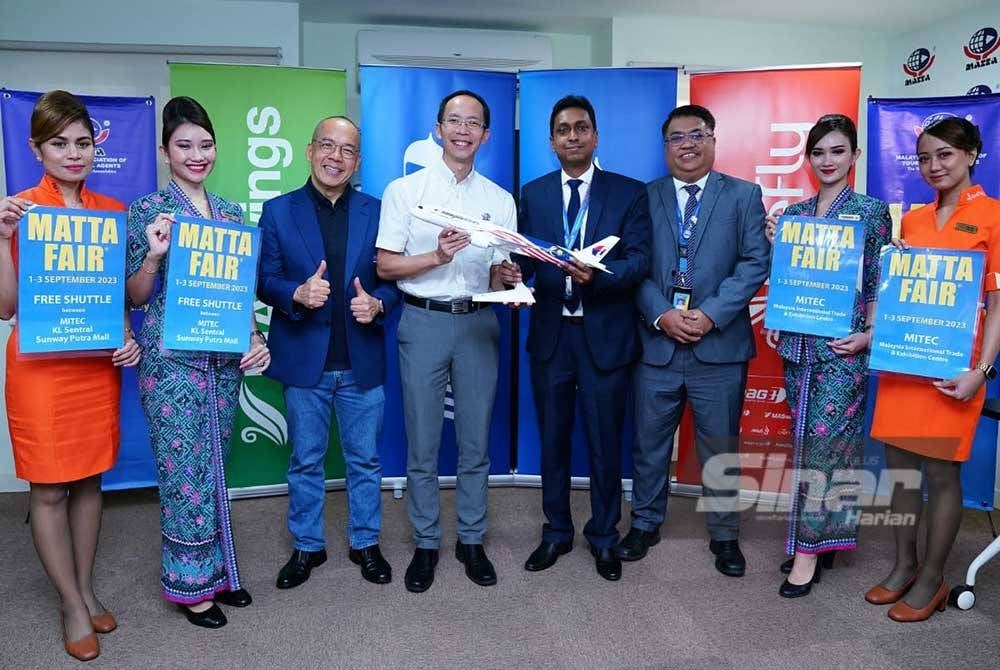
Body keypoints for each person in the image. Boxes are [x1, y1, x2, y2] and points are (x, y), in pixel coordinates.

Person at [0, 90, 140, 662]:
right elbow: (6, 306)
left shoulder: (111, 211)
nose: (73, 154)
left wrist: (128, 335)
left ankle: (82, 587)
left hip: (94, 367)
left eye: (82, 143)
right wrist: (1, 236)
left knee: (88, 481)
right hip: (39, 371)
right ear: (38, 149)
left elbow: (116, 301)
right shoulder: (20, 210)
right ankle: (71, 603)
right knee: (50, 487)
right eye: (59, 144)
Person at [126, 96, 269, 629]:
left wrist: (255, 337)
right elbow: (137, 297)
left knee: (212, 471)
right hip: (171, 366)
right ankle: (190, 589)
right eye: (183, 145)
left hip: (222, 364)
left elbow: (239, 294)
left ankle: (218, 573)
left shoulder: (231, 212)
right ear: (165, 152)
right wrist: (155, 255)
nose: (196, 154)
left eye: (204, 144)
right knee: (183, 476)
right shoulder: (148, 211)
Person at [376, 89, 515, 593]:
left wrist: (508, 275)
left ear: (486, 134)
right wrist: (435, 257)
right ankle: (427, 542)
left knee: (476, 440)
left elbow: (499, 275)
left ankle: (471, 540)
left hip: (479, 322)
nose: (462, 130)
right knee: (424, 441)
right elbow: (386, 265)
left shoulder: (499, 201)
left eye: (473, 123)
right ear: (438, 129)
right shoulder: (404, 191)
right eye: (453, 121)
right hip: (423, 322)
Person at [624, 104, 770, 577]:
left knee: (719, 445)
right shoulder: (645, 197)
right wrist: (662, 314)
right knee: (649, 443)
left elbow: (754, 263)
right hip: (658, 344)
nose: (687, 144)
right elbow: (634, 266)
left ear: (712, 139)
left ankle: (725, 535)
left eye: (696, 135)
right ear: (665, 147)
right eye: (676, 137)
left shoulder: (744, 195)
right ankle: (645, 524)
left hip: (719, 346)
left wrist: (708, 315)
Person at [510, 95, 650, 582]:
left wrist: (600, 275)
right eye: (563, 130)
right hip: (551, 338)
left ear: (595, 136)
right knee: (553, 442)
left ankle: (605, 537)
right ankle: (556, 532)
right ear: (551, 142)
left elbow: (638, 260)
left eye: (581, 128)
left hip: (604, 338)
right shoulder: (534, 193)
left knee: (604, 442)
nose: (573, 136)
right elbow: (525, 260)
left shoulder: (628, 192)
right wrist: (511, 271)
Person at [866, 117, 1000, 622]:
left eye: (944, 154)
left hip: (955, 370)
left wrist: (982, 371)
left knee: (942, 475)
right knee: (900, 472)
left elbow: (998, 302)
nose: (933, 166)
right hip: (905, 364)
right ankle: (904, 566)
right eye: (924, 157)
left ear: (970, 155)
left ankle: (932, 578)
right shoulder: (914, 221)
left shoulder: (994, 216)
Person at [258, 116, 398, 590]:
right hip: (304, 358)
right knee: (305, 460)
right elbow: (263, 278)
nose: (335, 157)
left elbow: (397, 279)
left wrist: (378, 303)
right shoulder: (278, 211)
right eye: (327, 146)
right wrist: (295, 294)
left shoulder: (377, 211)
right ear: (309, 150)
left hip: (362, 361)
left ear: (357, 161)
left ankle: (365, 542)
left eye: (347, 151)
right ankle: (307, 546)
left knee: (365, 461)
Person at [763, 114, 892, 597]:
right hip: (798, 348)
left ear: (854, 156)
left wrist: (870, 335)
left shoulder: (871, 212)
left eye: (837, 151)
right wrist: (776, 317)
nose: (827, 160)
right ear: (808, 158)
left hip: (843, 350)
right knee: (805, 447)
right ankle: (818, 539)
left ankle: (806, 555)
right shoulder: (793, 215)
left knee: (826, 447)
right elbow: (790, 282)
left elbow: (878, 281)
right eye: (818, 152)